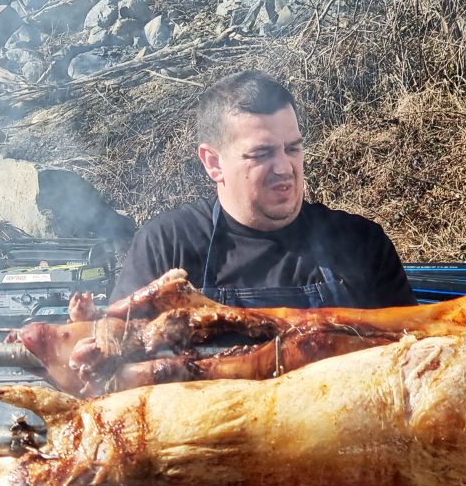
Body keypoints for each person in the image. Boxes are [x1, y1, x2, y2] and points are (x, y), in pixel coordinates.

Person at [110, 71, 415, 309]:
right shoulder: (167, 245)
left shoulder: (360, 243)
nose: (284, 168)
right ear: (213, 163)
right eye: (261, 154)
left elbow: (412, 355)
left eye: (292, 149)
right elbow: (121, 363)